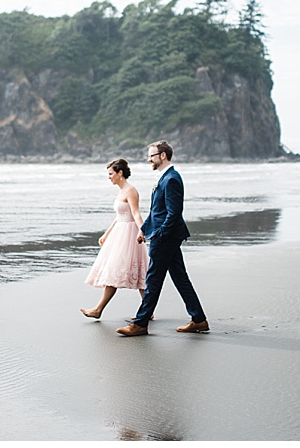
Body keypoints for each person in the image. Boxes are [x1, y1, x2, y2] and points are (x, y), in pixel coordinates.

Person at [117, 140, 209, 336]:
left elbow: (174, 213)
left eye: (151, 155)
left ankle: (140, 323)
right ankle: (199, 319)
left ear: (163, 156)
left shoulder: (172, 179)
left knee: (153, 280)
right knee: (180, 278)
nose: (149, 159)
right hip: (165, 235)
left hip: (166, 237)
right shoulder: (164, 177)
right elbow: (156, 211)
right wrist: (144, 229)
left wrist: (159, 234)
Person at [80, 159, 149, 319]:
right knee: (136, 273)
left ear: (120, 173)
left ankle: (98, 310)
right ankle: (148, 310)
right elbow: (119, 216)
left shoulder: (131, 191)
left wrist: (142, 230)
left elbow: (136, 213)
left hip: (129, 234)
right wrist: (107, 233)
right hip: (119, 232)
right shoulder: (121, 191)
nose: (109, 177)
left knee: (119, 270)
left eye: (111, 174)